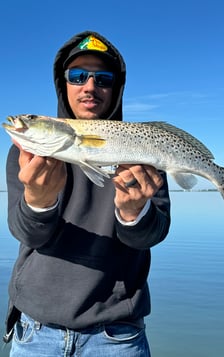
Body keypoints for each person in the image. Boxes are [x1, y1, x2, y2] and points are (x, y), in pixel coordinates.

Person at [4, 30, 171, 356]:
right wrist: (39, 203)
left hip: (117, 336)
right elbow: (25, 234)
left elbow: (153, 234)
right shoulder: (25, 155)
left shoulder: (143, 150)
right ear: (62, 84)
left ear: (116, 88)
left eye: (103, 78)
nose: (90, 86)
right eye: (78, 76)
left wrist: (133, 213)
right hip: (34, 333)